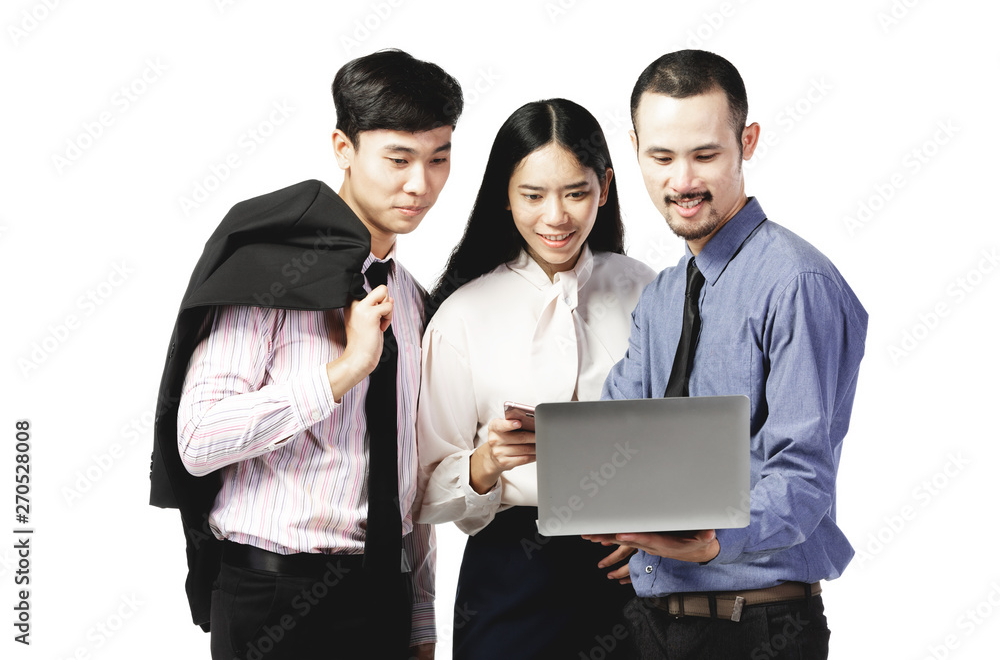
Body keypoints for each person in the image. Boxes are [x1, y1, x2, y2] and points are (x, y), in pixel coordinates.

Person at [149, 49, 463, 659]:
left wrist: (422, 624)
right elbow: (198, 439)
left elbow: (410, 474)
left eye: (439, 159)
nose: (419, 184)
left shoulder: (411, 299)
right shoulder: (268, 275)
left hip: (383, 596)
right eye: (398, 158)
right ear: (344, 148)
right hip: (274, 595)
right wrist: (343, 372)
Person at [584, 50, 869, 659]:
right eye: (661, 157)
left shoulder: (797, 283)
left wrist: (713, 540)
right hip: (651, 624)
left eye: (705, 155)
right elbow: (624, 434)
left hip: (756, 628)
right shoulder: (662, 296)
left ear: (748, 141)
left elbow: (803, 474)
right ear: (634, 149)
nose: (682, 181)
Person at [416, 98, 656, 659]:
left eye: (576, 192)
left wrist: (658, 536)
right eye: (533, 195)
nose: (557, 217)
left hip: (632, 572)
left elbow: (687, 433)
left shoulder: (647, 291)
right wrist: (485, 462)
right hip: (510, 577)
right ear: (505, 194)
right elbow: (421, 486)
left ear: (606, 185)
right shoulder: (462, 315)